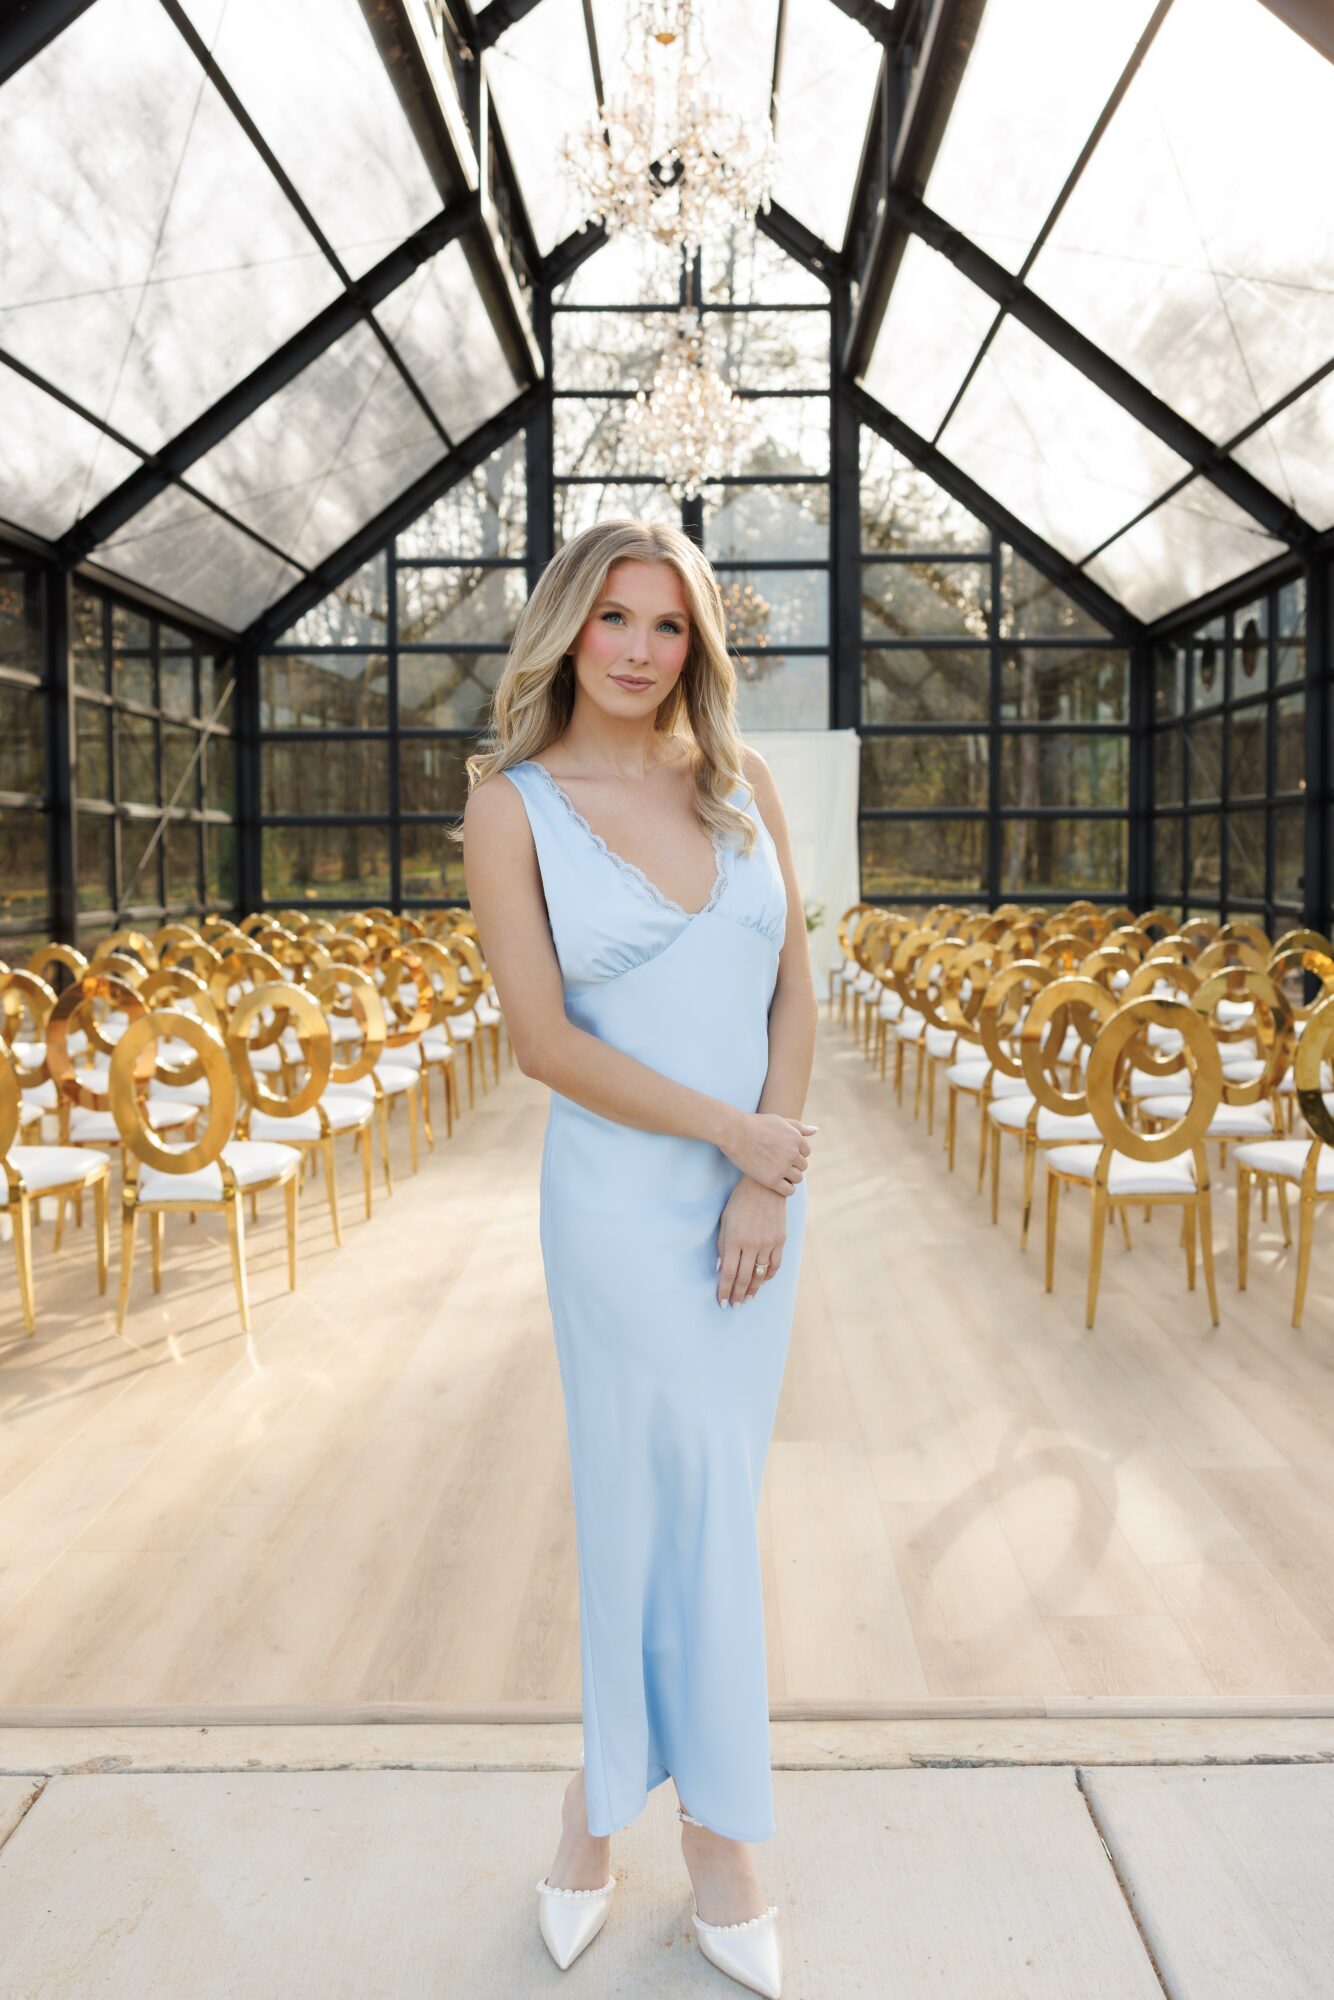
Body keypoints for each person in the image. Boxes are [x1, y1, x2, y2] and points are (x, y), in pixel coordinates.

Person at [460, 519, 818, 1997]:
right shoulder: (510, 806)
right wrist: (732, 1138)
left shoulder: (741, 786)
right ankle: (724, 1844)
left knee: (707, 1507)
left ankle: (592, 1815)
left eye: (667, 627)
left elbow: (796, 989)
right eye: (613, 618)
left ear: (697, 649)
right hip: (616, 1213)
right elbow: (544, 1042)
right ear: (567, 628)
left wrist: (766, 1168)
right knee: (648, 1515)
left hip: (755, 1218)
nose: (637, 649)